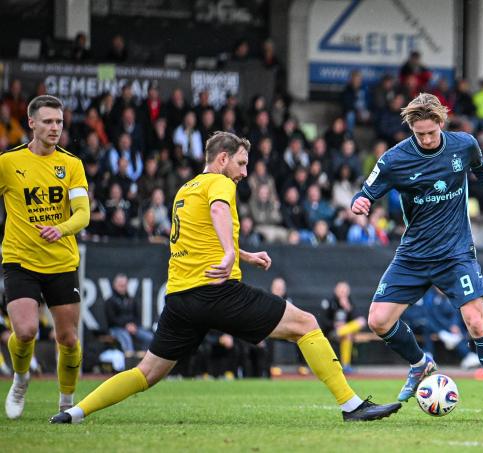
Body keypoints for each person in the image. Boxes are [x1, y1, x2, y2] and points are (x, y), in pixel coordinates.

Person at [50, 132, 401, 424]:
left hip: (180, 299)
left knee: (147, 372)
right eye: (241, 163)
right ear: (222, 159)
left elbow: (199, 237)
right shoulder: (220, 183)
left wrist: (243, 254)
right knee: (306, 324)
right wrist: (231, 254)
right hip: (217, 292)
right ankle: (352, 406)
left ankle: (75, 412)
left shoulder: (186, 189)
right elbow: (219, 211)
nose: (244, 172)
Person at [351, 93, 483, 423]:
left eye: (431, 132)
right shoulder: (394, 159)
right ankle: (421, 364)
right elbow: (365, 192)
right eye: (419, 134)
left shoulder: (464, 145)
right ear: (411, 129)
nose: (426, 139)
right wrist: (360, 202)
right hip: (413, 255)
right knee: (378, 321)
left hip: (455, 253)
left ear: (442, 123)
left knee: (477, 322)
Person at [1, 95, 90, 419]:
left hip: (61, 263)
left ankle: (66, 404)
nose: (55, 128)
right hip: (20, 260)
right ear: (31, 123)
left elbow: (83, 214)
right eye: (48, 121)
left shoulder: (71, 165)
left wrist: (60, 229)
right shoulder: (8, 163)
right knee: (25, 331)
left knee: (68, 339)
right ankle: (20, 379)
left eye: (59, 122)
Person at [104, 273, 154, 355]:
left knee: (149, 337)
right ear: (115, 285)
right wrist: (126, 326)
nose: (122, 287)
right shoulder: (109, 301)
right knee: (126, 339)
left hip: (133, 327)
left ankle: (144, 359)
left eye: (124, 285)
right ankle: (130, 361)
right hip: (117, 329)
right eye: (120, 285)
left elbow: (137, 316)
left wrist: (133, 325)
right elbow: (112, 319)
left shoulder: (131, 300)